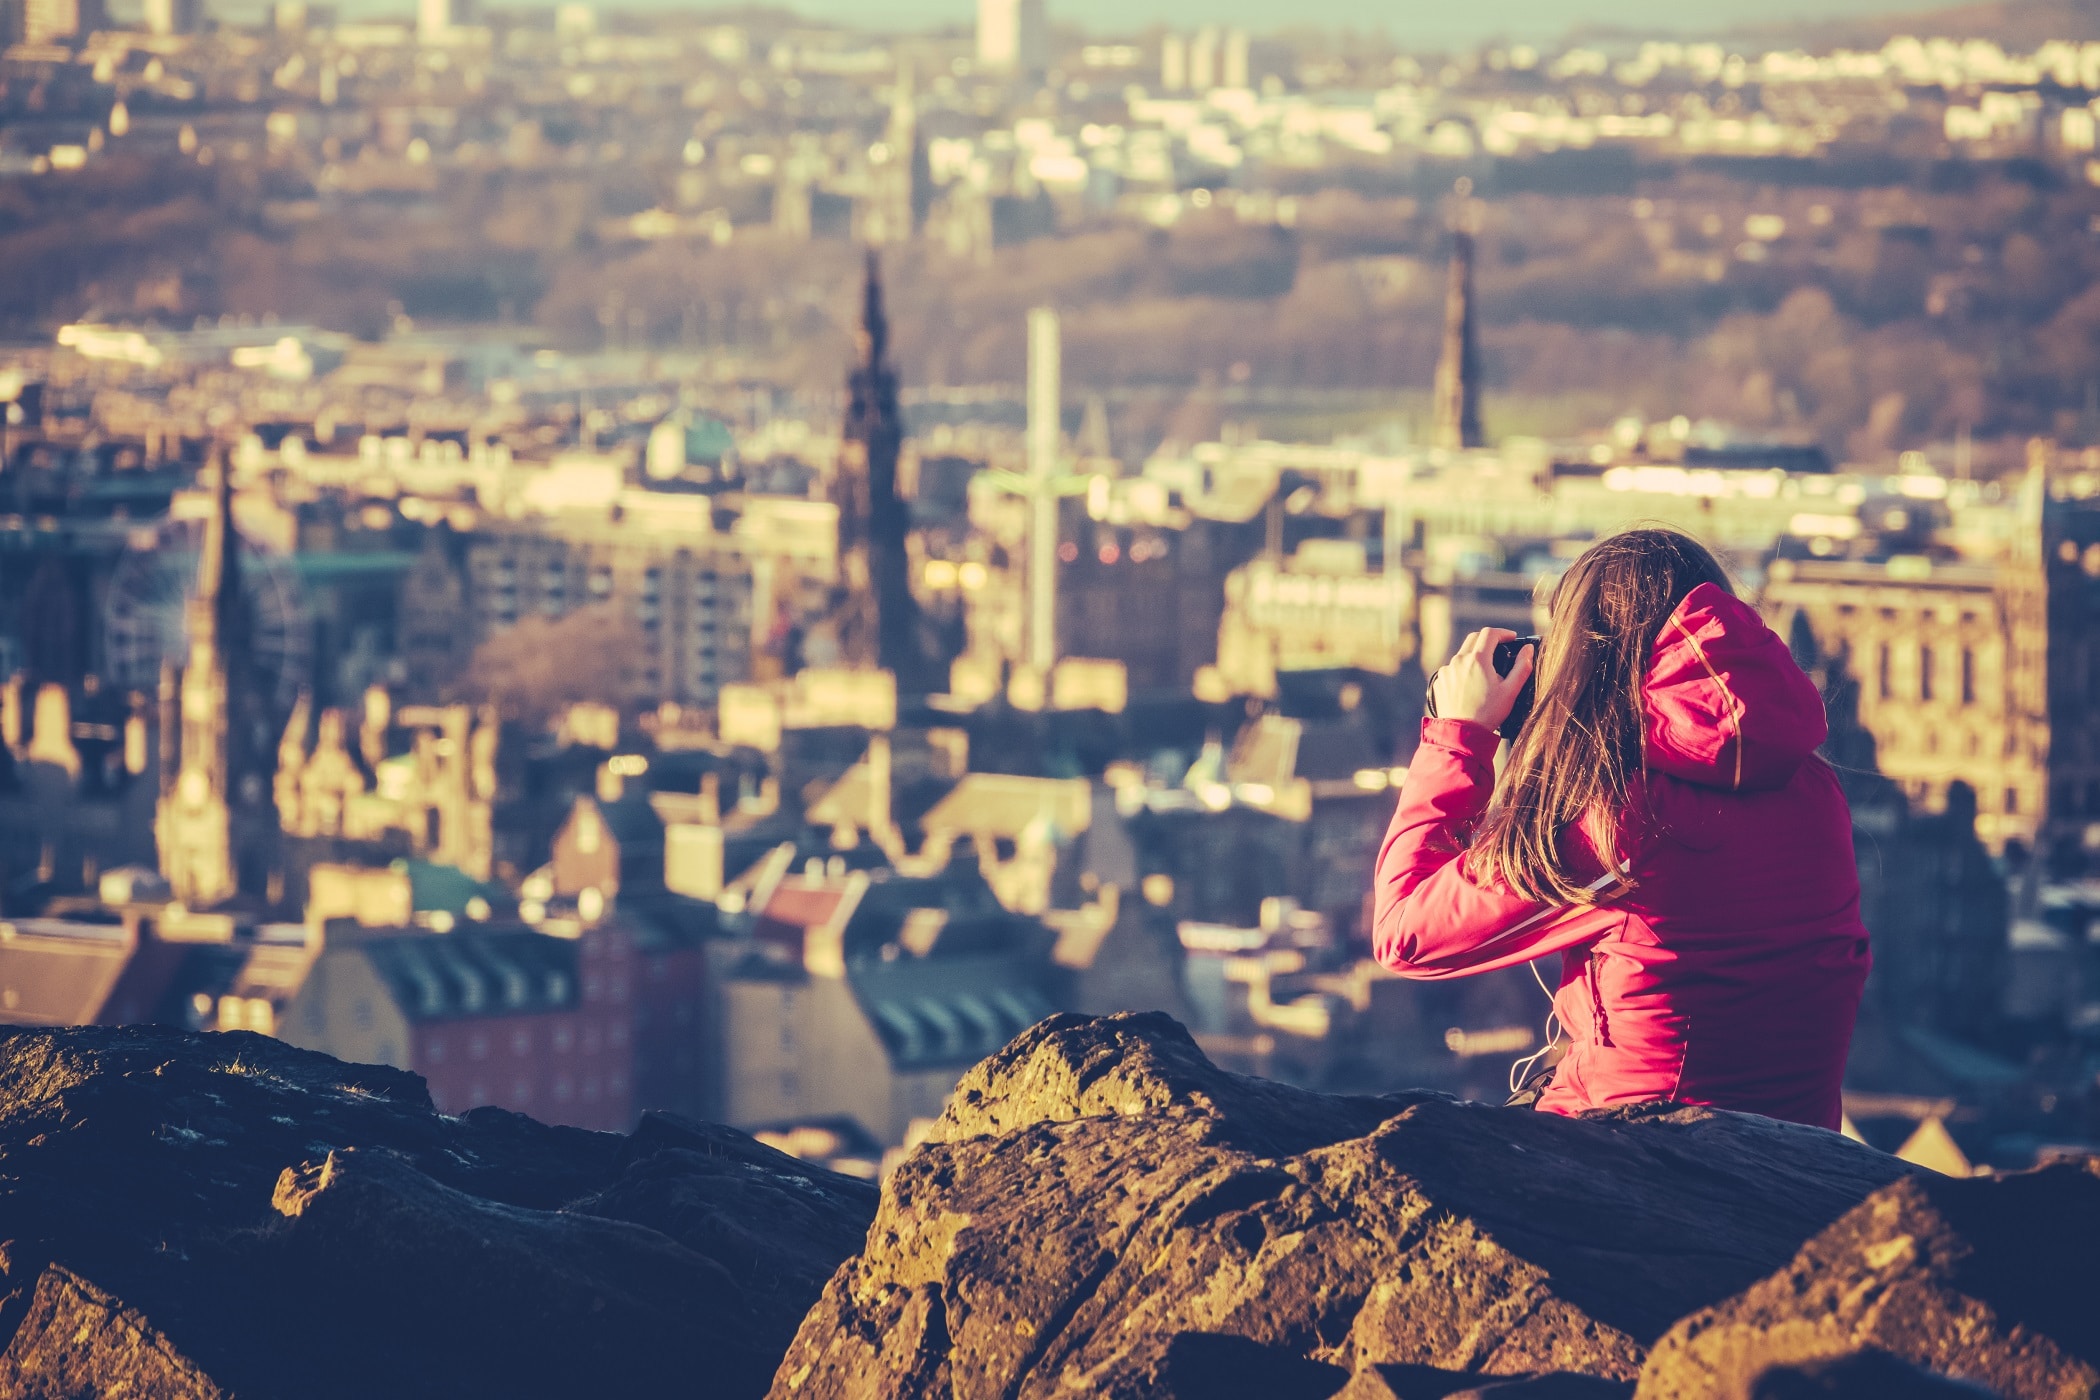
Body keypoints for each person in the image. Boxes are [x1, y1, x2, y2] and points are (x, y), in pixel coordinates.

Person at [1372, 529, 1869, 1129]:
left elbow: (1404, 934)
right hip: (1799, 1151)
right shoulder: (1814, 785)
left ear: (1588, 658)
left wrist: (1459, 735)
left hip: (1652, 1154)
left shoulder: (1621, 823)